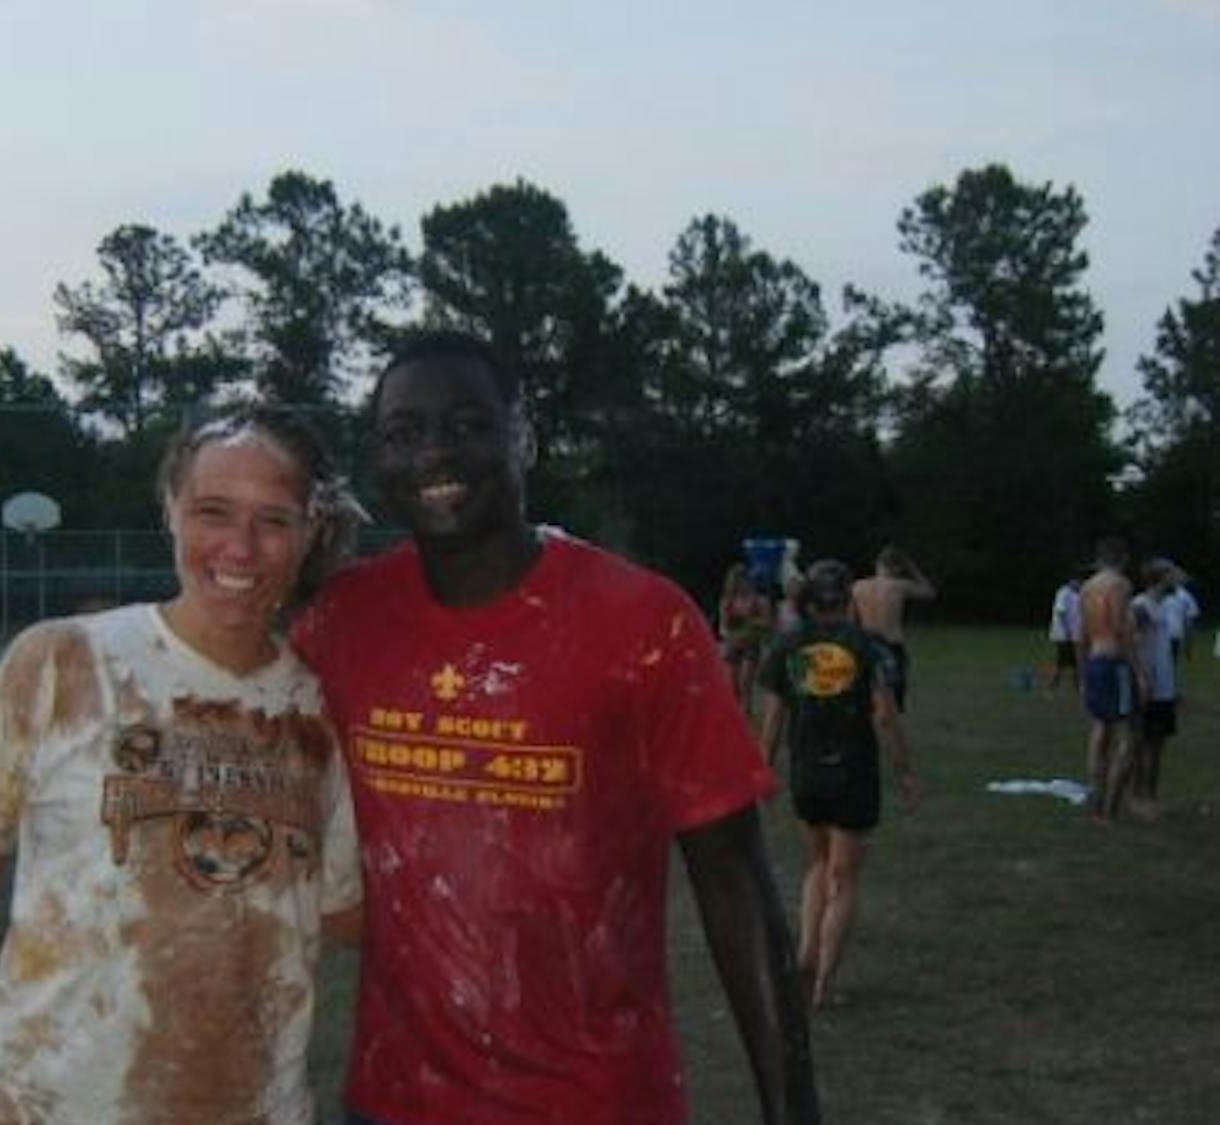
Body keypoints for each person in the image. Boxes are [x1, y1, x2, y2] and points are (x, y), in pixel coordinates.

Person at [293, 332, 819, 1125]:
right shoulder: (342, 619)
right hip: (390, 1101)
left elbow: (735, 881)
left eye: (468, 424)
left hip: (595, 1103)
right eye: (404, 433)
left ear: (523, 435)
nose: (434, 453)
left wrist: (794, 1111)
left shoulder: (644, 623)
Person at [0, 410, 363, 1125]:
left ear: (309, 531)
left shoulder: (318, 714)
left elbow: (340, 913)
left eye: (273, 519)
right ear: (170, 512)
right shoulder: (64, 660)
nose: (240, 547)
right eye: (213, 511)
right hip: (41, 1100)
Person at [757, 559, 918, 1012]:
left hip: (806, 771)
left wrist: (764, 771)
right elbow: (884, 716)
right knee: (844, 879)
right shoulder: (867, 648)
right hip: (853, 771)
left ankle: (805, 956)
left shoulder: (786, 646)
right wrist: (904, 770)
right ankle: (824, 981)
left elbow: (771, 720)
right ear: (848, 599)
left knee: (818, 863)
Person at [1077, 536, 1146, 824]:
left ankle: (1096, 806)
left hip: (1094, 659)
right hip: (1114, 662)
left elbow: (1081, 634)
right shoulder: (1119, 584)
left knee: (1100, 732)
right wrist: (1139, 671)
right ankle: (1110, 807)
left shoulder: (1086, 587)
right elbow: (1120, 627)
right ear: (1123, 558)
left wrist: (1082, 673)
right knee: (1132, 734)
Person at [850, 545, 934, 711]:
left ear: (877, 564)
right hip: (891, 643)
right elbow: (929, 592)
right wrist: (912, 568)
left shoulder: (858, 586)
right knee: (893, 698)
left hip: (866, 644)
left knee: (866, 694)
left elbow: (850, 620)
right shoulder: (899, 585)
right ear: (897, 567)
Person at [1130, 558, 1179, 820]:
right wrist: (1141, 678)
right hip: (1148, 687)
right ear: (1161, 577)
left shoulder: (1163, 606)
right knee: (1142, 745)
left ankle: (1151, 796)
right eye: (1173, 574)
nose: (1178, 578)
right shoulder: (1140, 606)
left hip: (1165, 687)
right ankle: (1137, 797)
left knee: (1157, 746)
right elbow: (1132, 646)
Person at [718, 560, 774, 715]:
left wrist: (749, 621)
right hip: (732, 643)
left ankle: (744, 715)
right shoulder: (727, 601)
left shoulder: (758, 599)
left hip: (750, 643)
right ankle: (735, 714)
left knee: (745, 684)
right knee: (731, 684)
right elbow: (722, 627)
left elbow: (768, 623)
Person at [1044, 574, 1083, 695]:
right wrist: (1067, 632)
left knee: (1076, 663)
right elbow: (1061, 612)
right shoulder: (1063, 593)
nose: (1080, 584)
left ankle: (1078, 688)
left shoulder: (1077, 594)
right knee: (1061, 663)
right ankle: (1050, 688)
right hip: (1064, 636)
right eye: (1078, 581)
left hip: (1074, 635)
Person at [1160, 569, 1201, 663]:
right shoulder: (1184, 596)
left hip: (1172, 634)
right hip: (1168, 634)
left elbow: (1189, 621)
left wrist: (1188, 644)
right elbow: (1190, 621)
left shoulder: (1184, 596)